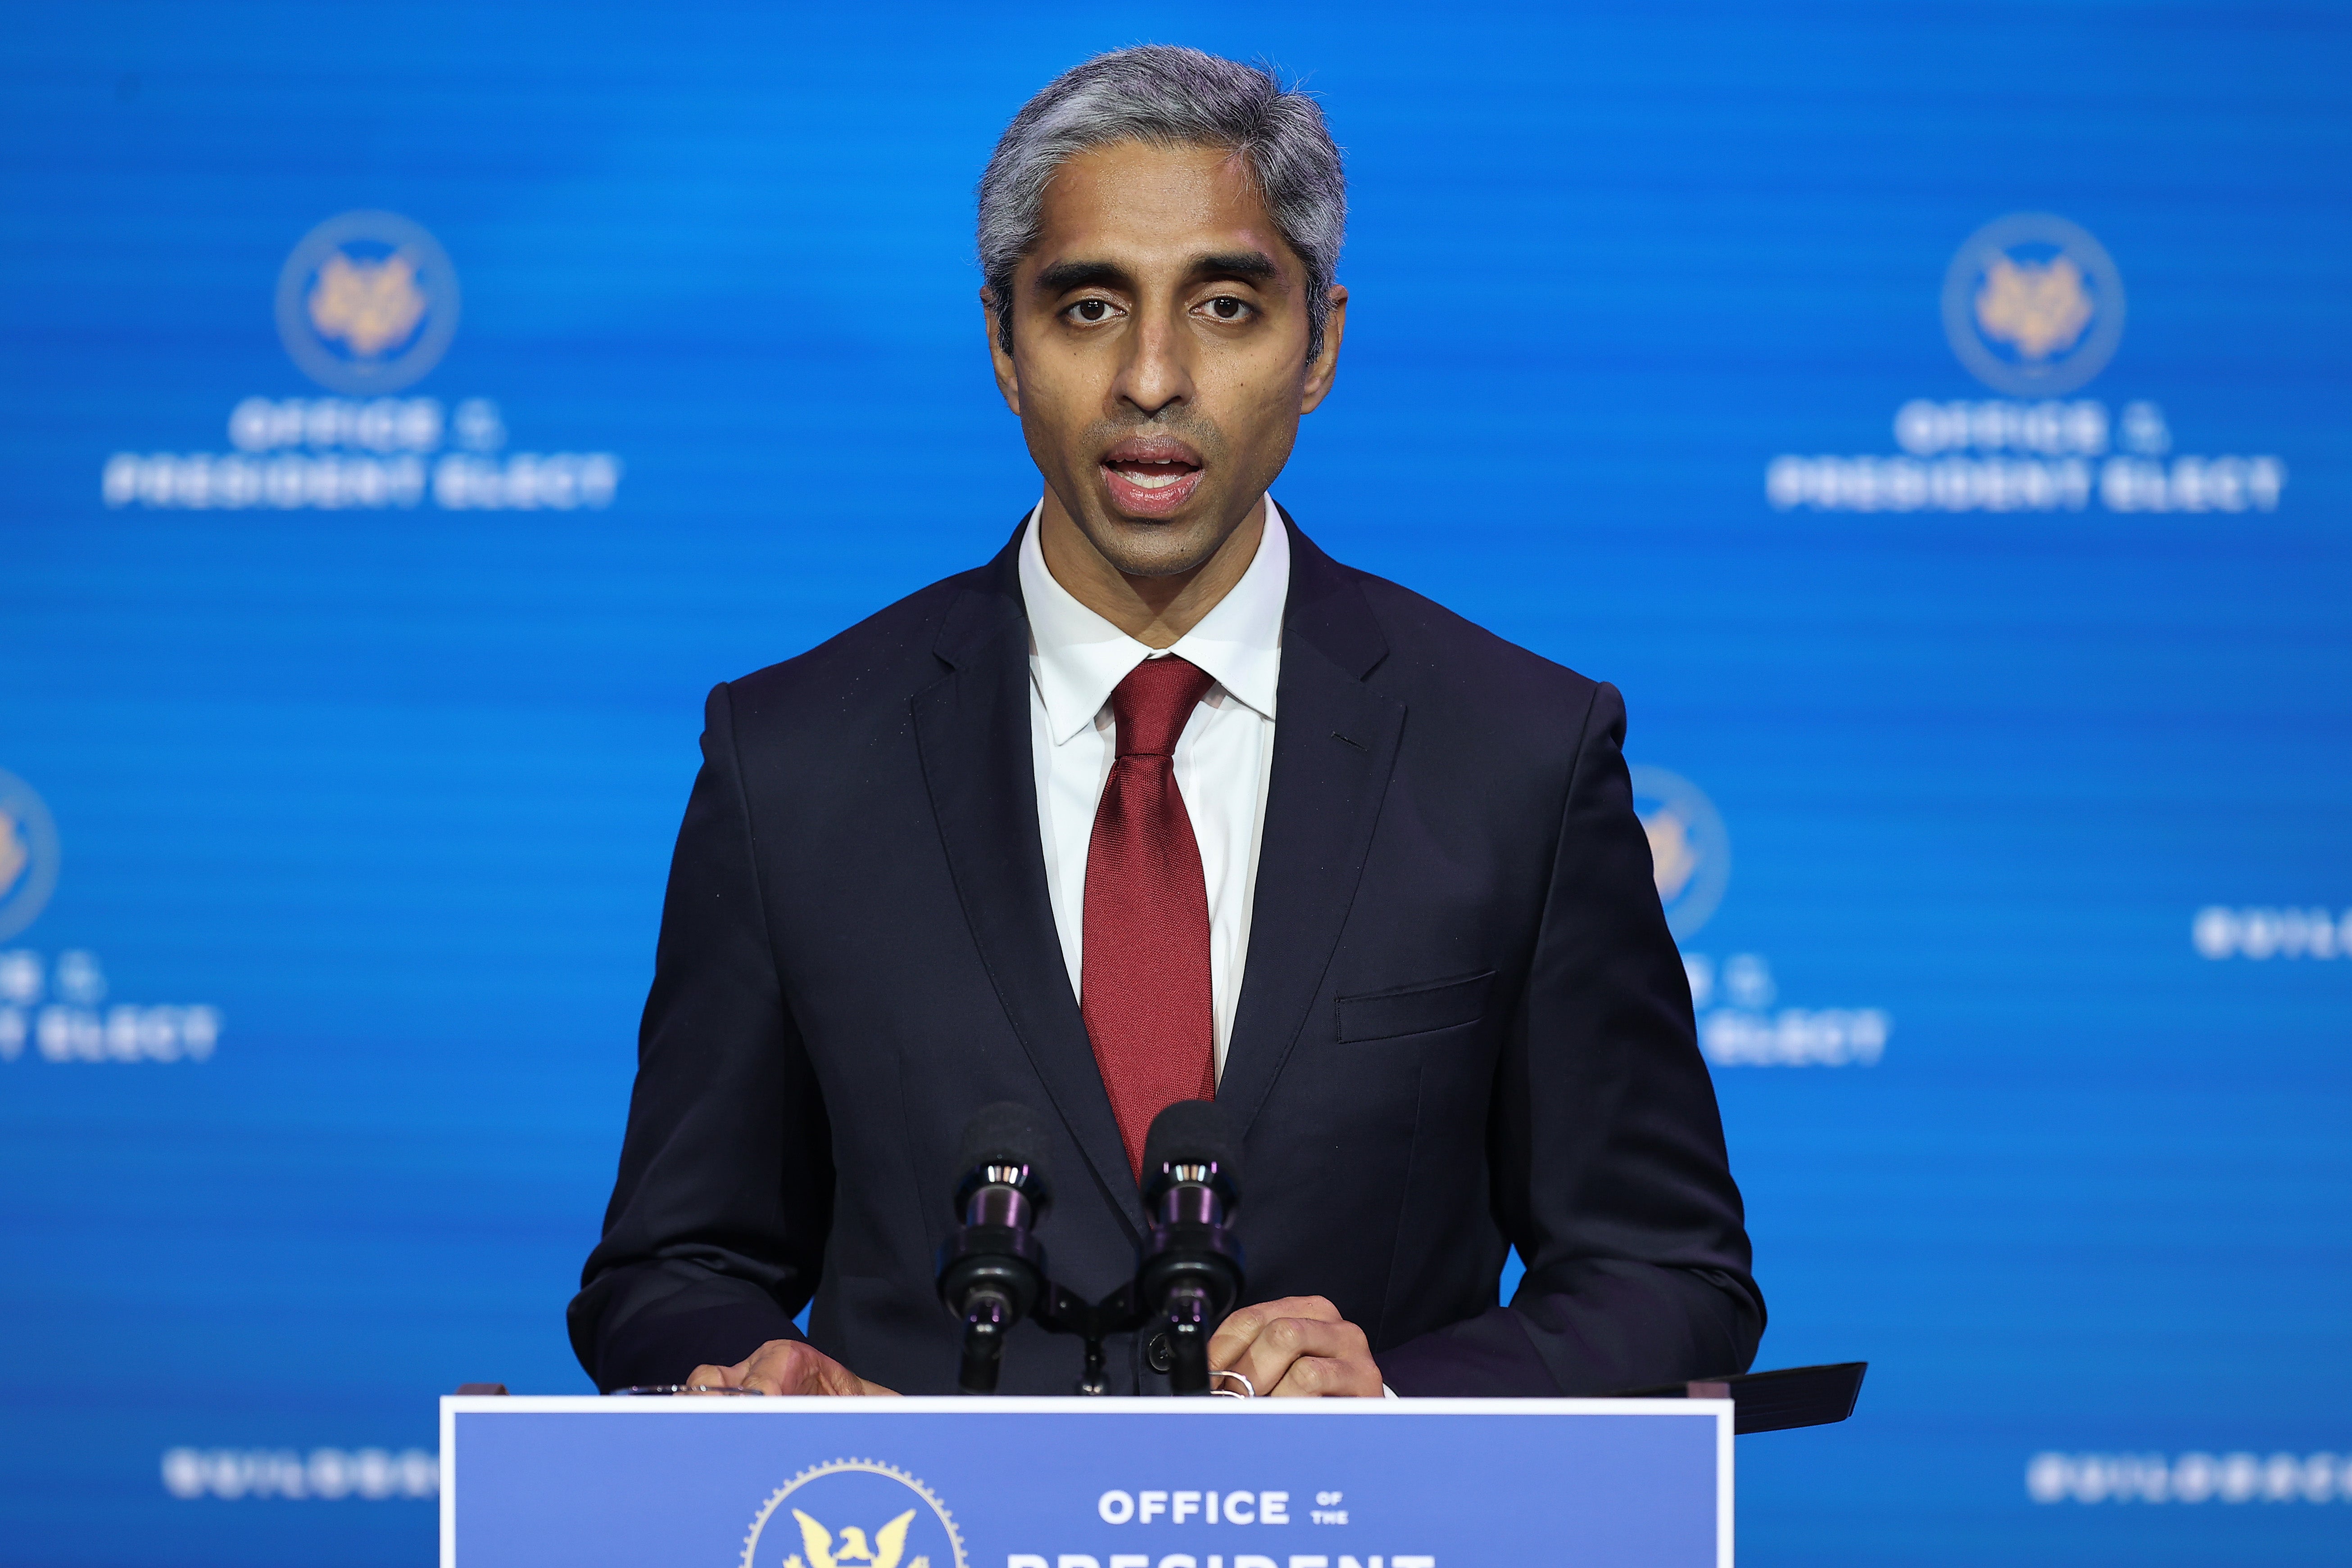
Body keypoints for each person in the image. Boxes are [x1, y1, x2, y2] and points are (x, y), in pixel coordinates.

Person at [568, 44, 1760, 1400]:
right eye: (1086, 307)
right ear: (1003, 346)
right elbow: (670, 1268)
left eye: (1226, 306)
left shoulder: (1518, 756)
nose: (1151, 378)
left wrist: (1402, 1408)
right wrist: (743, 1375)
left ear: (1320, 345)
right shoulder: (790, 760)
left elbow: (1670, 1276)